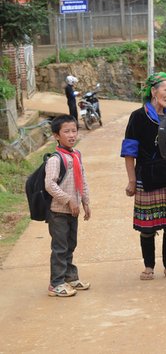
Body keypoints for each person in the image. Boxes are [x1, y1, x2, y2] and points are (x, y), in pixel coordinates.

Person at [121, 72, 166, 281]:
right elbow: (129, 152)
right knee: (147, 227)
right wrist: (132, 181)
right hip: (147, 178)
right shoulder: (138, 117)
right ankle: (149, 266)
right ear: (153, 91)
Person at [45, 114, 91, 297]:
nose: (72, 135)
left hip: (74, 211)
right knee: (60, 247)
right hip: (58, 212)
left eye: (74, 130)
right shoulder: (55, 159)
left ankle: (70, 277)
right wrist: (69, 200)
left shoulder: (76, 154)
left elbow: (83, 180)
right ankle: (55, 283)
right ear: (57, 135)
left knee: (70, 244)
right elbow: (49, 184)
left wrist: (85, 201)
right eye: (67, 131)